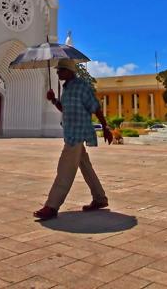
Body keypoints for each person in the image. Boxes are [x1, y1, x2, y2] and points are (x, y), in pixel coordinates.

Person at [33, 59, 113, 221]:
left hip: (78, 132)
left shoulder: (81, 86)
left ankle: (52, 205)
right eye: (57, 70)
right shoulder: (67, 88)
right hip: (70, 131)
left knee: (65, 168)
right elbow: (64, 109)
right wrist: (54, 100)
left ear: (70, 71)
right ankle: (100, 199)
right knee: (86, 166)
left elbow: (95, 106)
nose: (58, 73)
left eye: (61, 70)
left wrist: (105, 127)